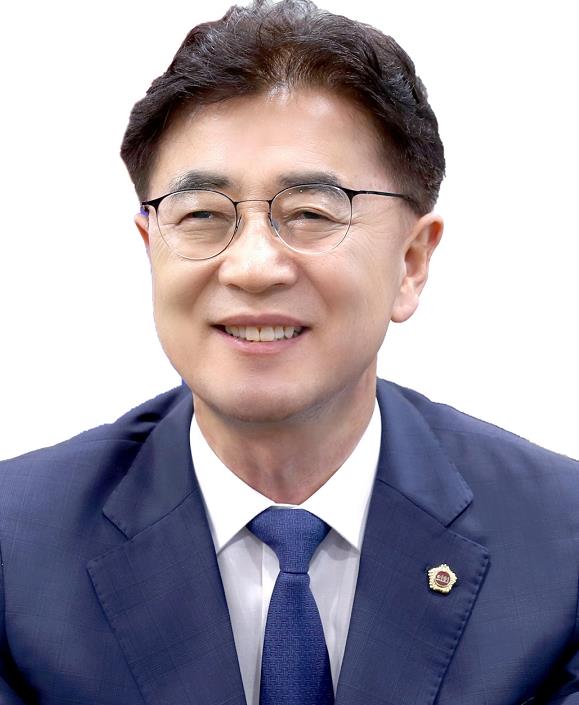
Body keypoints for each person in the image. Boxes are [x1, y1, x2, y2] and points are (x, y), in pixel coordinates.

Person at [0, 1, 577, 703]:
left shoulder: (560, 547)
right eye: (202, 215)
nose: (251, 268)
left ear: (412, 262)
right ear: (151, 248)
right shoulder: (16, 553)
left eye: (309, 213)